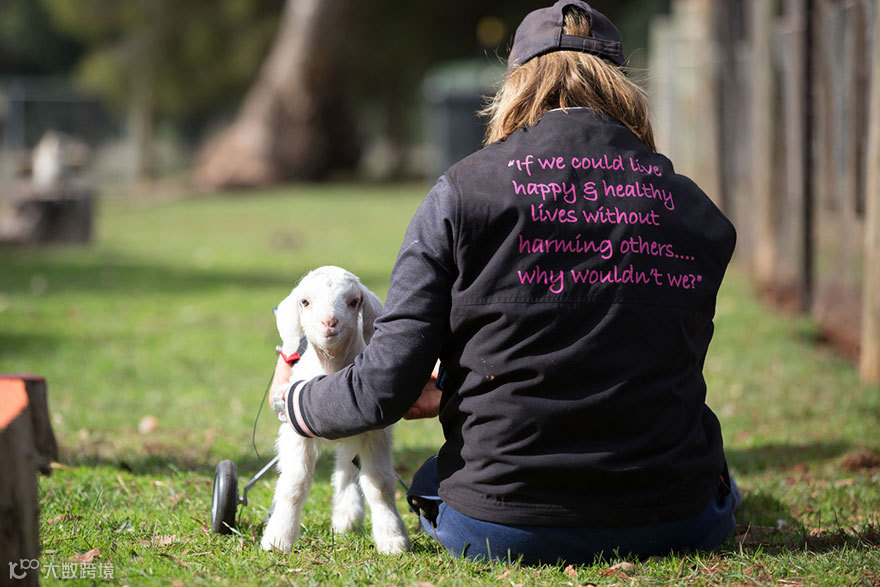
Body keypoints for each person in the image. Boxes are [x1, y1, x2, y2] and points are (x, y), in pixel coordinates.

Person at [269, 0, 738, 565]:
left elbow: (382, 386)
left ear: (515, 84)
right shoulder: (692, 208)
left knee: (434, 480)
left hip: (506, 525)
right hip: (677, 519)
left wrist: (295, 398)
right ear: (623, 87)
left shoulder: (461, 191)